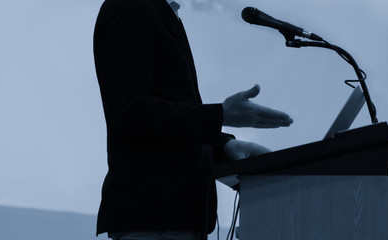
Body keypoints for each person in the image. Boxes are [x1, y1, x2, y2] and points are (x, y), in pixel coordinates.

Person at [93, 0, 293, 239]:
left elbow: (168, 112)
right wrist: (219, 115)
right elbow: (130, 111)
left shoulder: (162, 12)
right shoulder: (129, 6)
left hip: (175, 220)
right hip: (154, 220)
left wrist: (223, 145)